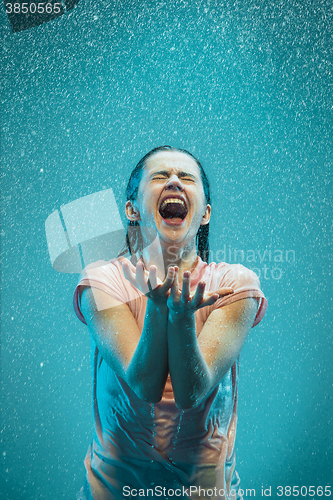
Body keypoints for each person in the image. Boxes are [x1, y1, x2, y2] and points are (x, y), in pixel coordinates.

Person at [73, 145, 267, 500]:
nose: (175, 181)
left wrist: (179, 319)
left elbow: (192, 392)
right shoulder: (101, 281)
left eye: (187, 177)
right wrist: (159, 311)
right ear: (132, 209)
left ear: (205, 213)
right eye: (161, 176)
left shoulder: (235, 284)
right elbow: (144, 385)